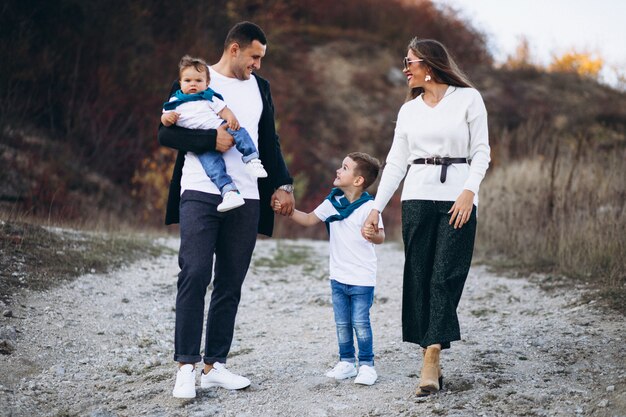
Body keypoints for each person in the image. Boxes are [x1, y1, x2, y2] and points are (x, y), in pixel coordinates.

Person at [157, 21, 295, 399]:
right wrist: (208, 138)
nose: (258, 65)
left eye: (261, 58)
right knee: (195, 272)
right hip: (201, 192)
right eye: (254, 56)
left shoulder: (261, 88)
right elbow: (165, 132)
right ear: (234, 49)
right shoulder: (196, 79)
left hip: (247, 197)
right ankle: (186, 366)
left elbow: (269, 139)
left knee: (230, 283)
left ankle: (213, 365)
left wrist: (283, 184)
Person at [363, 38, 490, 396]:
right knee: (419, 277)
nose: (405, 68)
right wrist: (375, 207)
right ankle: (428, 353)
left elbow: (481, 151)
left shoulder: (468, 99)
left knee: (445, 276)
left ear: (430, 65)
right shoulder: (409, 111)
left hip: (456, 199)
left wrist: (470, 190)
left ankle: (431, 360)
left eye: (410, 61)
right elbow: (394, 163)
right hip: (417, 197)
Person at [275, 152, 385, 386]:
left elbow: (381, 236)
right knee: (342, 323)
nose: (338, 170)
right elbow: (308, 219)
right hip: (338, 276)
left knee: (360, 322)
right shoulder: (332, 202)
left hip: (362, 278)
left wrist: (373, 234)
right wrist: (287, 211)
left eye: (344, 168)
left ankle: (366, 365)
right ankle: (346, 361)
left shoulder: (370, 207)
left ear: (358, 181)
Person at [161, 55, 269, 212]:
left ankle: (251, 159)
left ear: (207, 83)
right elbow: (164, 124)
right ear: (180, 83)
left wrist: (231, 118)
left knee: (240, 132)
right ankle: (229, 192)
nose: (193, 84)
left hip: (220, 126)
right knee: (213, 168)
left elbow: (223, 110)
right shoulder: (175, 102)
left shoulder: (208, 96)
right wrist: (167, 118)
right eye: (188, 81)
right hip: (201, 144)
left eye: (198, 81)